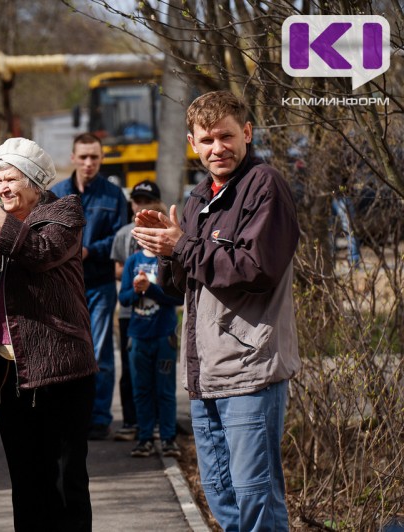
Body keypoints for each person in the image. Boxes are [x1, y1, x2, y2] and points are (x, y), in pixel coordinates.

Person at [132, 90, 300, 531]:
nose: (217, 148)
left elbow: (255, 269)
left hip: (250, 372)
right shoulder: (195, 200)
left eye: (226, 136)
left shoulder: (264, 186)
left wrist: (181, 245)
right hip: (205, 376)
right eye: (206, 140)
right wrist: (164, 252)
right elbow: (179, 287)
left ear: (246, 133)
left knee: (256, 502)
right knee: (223, 502)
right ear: (192, 143)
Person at [0, 137, 99, 531]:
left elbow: (38, 252)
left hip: (60, 370)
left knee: (64, 480)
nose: (3, 187)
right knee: (26, 479)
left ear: (35, 182)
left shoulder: (64, 211)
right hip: (7, 373)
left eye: (10, 179)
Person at [52, 132, 128, 440]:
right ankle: (69, 415)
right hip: (63, 285)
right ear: (73, 158)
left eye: (94, 157)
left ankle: (98, 417)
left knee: (99, 352)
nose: (88, 163)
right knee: (66, 352)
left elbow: (122, 237)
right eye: (83, 157)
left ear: (101, 158)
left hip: (99, 282)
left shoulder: (114, 196)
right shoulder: (56, 193)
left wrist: (90, 250)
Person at [117, 196, 183, 459]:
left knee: (165, 391)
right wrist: (136, 290)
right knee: (141, 390)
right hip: (138, 337)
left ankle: (168, 439)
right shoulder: (133, 262)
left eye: (156, 229)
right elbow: (123, 299)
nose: (151, 234)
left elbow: (178, 298)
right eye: (146, 230)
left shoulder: (169, 260)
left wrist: (152, 289)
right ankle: (144, 438)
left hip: (164, 336)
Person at [109, 180, 165, 442]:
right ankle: (132, 421)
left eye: (147, 201)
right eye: (138, 200)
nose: (141, 206)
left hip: (158, 314)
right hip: (130, 313)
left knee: (159, 373)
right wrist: (137, 273)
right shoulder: (124, 233)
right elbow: (118, 269)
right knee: (131, 373)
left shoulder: (163, 231)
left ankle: (157, 422)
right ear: (131, 203)